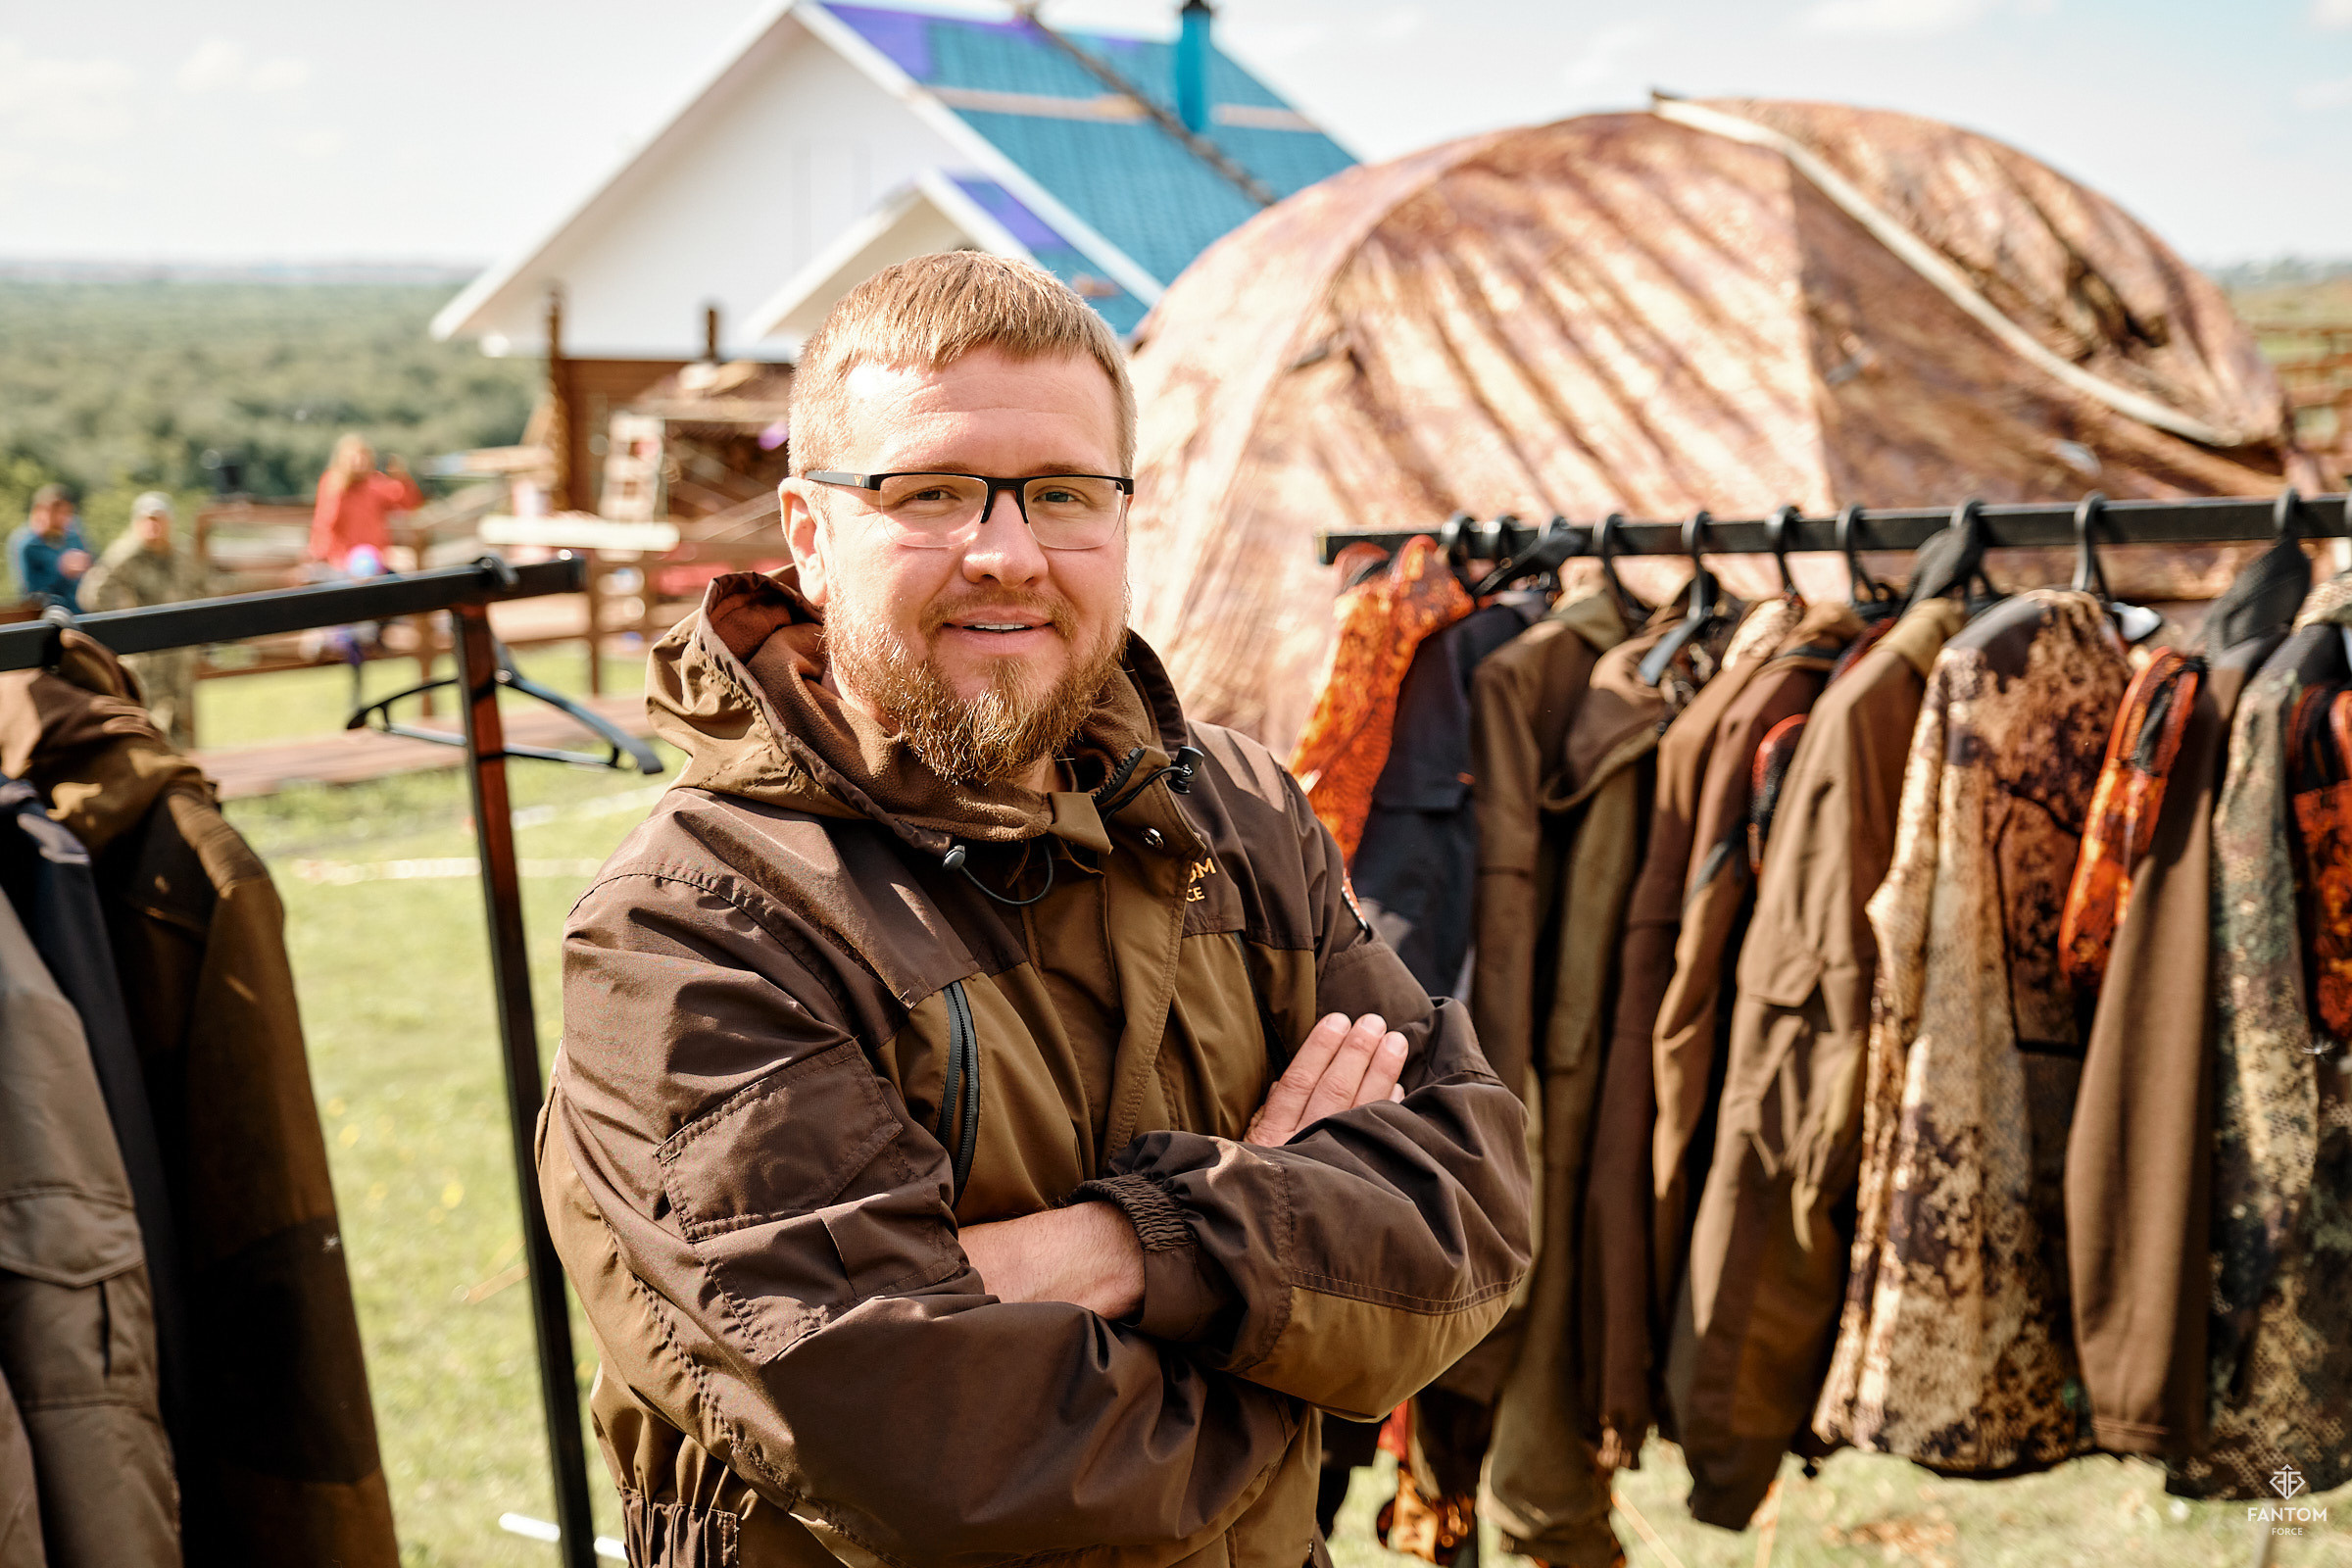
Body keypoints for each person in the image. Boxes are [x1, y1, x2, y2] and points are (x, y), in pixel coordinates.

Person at [539, 252, 1533, 1567]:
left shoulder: (1236, 814)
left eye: (1063, 493)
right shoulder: (696, 927)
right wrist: (1285, 1294)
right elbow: (931, 1449)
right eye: (930, 493)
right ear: (808, 535)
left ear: (1123, 516)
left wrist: (1124, 1247)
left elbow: (1470, 1218)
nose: (1006, 554)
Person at [78, 491, 218, 749]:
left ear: (170, 522)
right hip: (145, 657)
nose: (154, 526)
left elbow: (204, 588)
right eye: (147, 520)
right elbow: (92, 594)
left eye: (159, 519)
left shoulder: (181, 554)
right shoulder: (125, 555)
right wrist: (127, 622)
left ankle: (185, 765)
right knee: (146, 717)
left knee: (182, 719)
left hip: (179, 652)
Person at [308, 433, 421, 570]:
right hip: (344, 559)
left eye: (364, 456)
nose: (360, 461)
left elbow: (407, 503)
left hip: (375, 555)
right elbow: (326, 522)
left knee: (405, 565)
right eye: (354, 457)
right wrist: (326, 555)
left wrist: (402, 477)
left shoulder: (374, 482)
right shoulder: (334, 483)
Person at [7, 483, 92, 610]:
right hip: (52, 613)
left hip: (83, 609)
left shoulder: (74, 533)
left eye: (66, 513)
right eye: (56, 513)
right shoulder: (25, 545)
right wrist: (61, 570)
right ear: (39, 510)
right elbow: (29, 595)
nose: (62, 519)